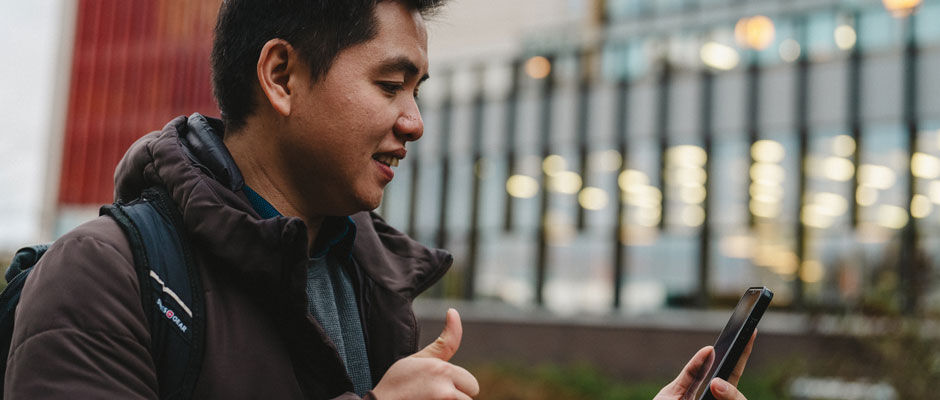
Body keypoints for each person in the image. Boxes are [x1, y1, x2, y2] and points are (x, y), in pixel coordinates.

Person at [4, 0, 755, 399]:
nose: (415, 122)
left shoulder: (370, 283)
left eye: (417, 90)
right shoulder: (106, 276)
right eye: (390, 85)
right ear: (281, 77)